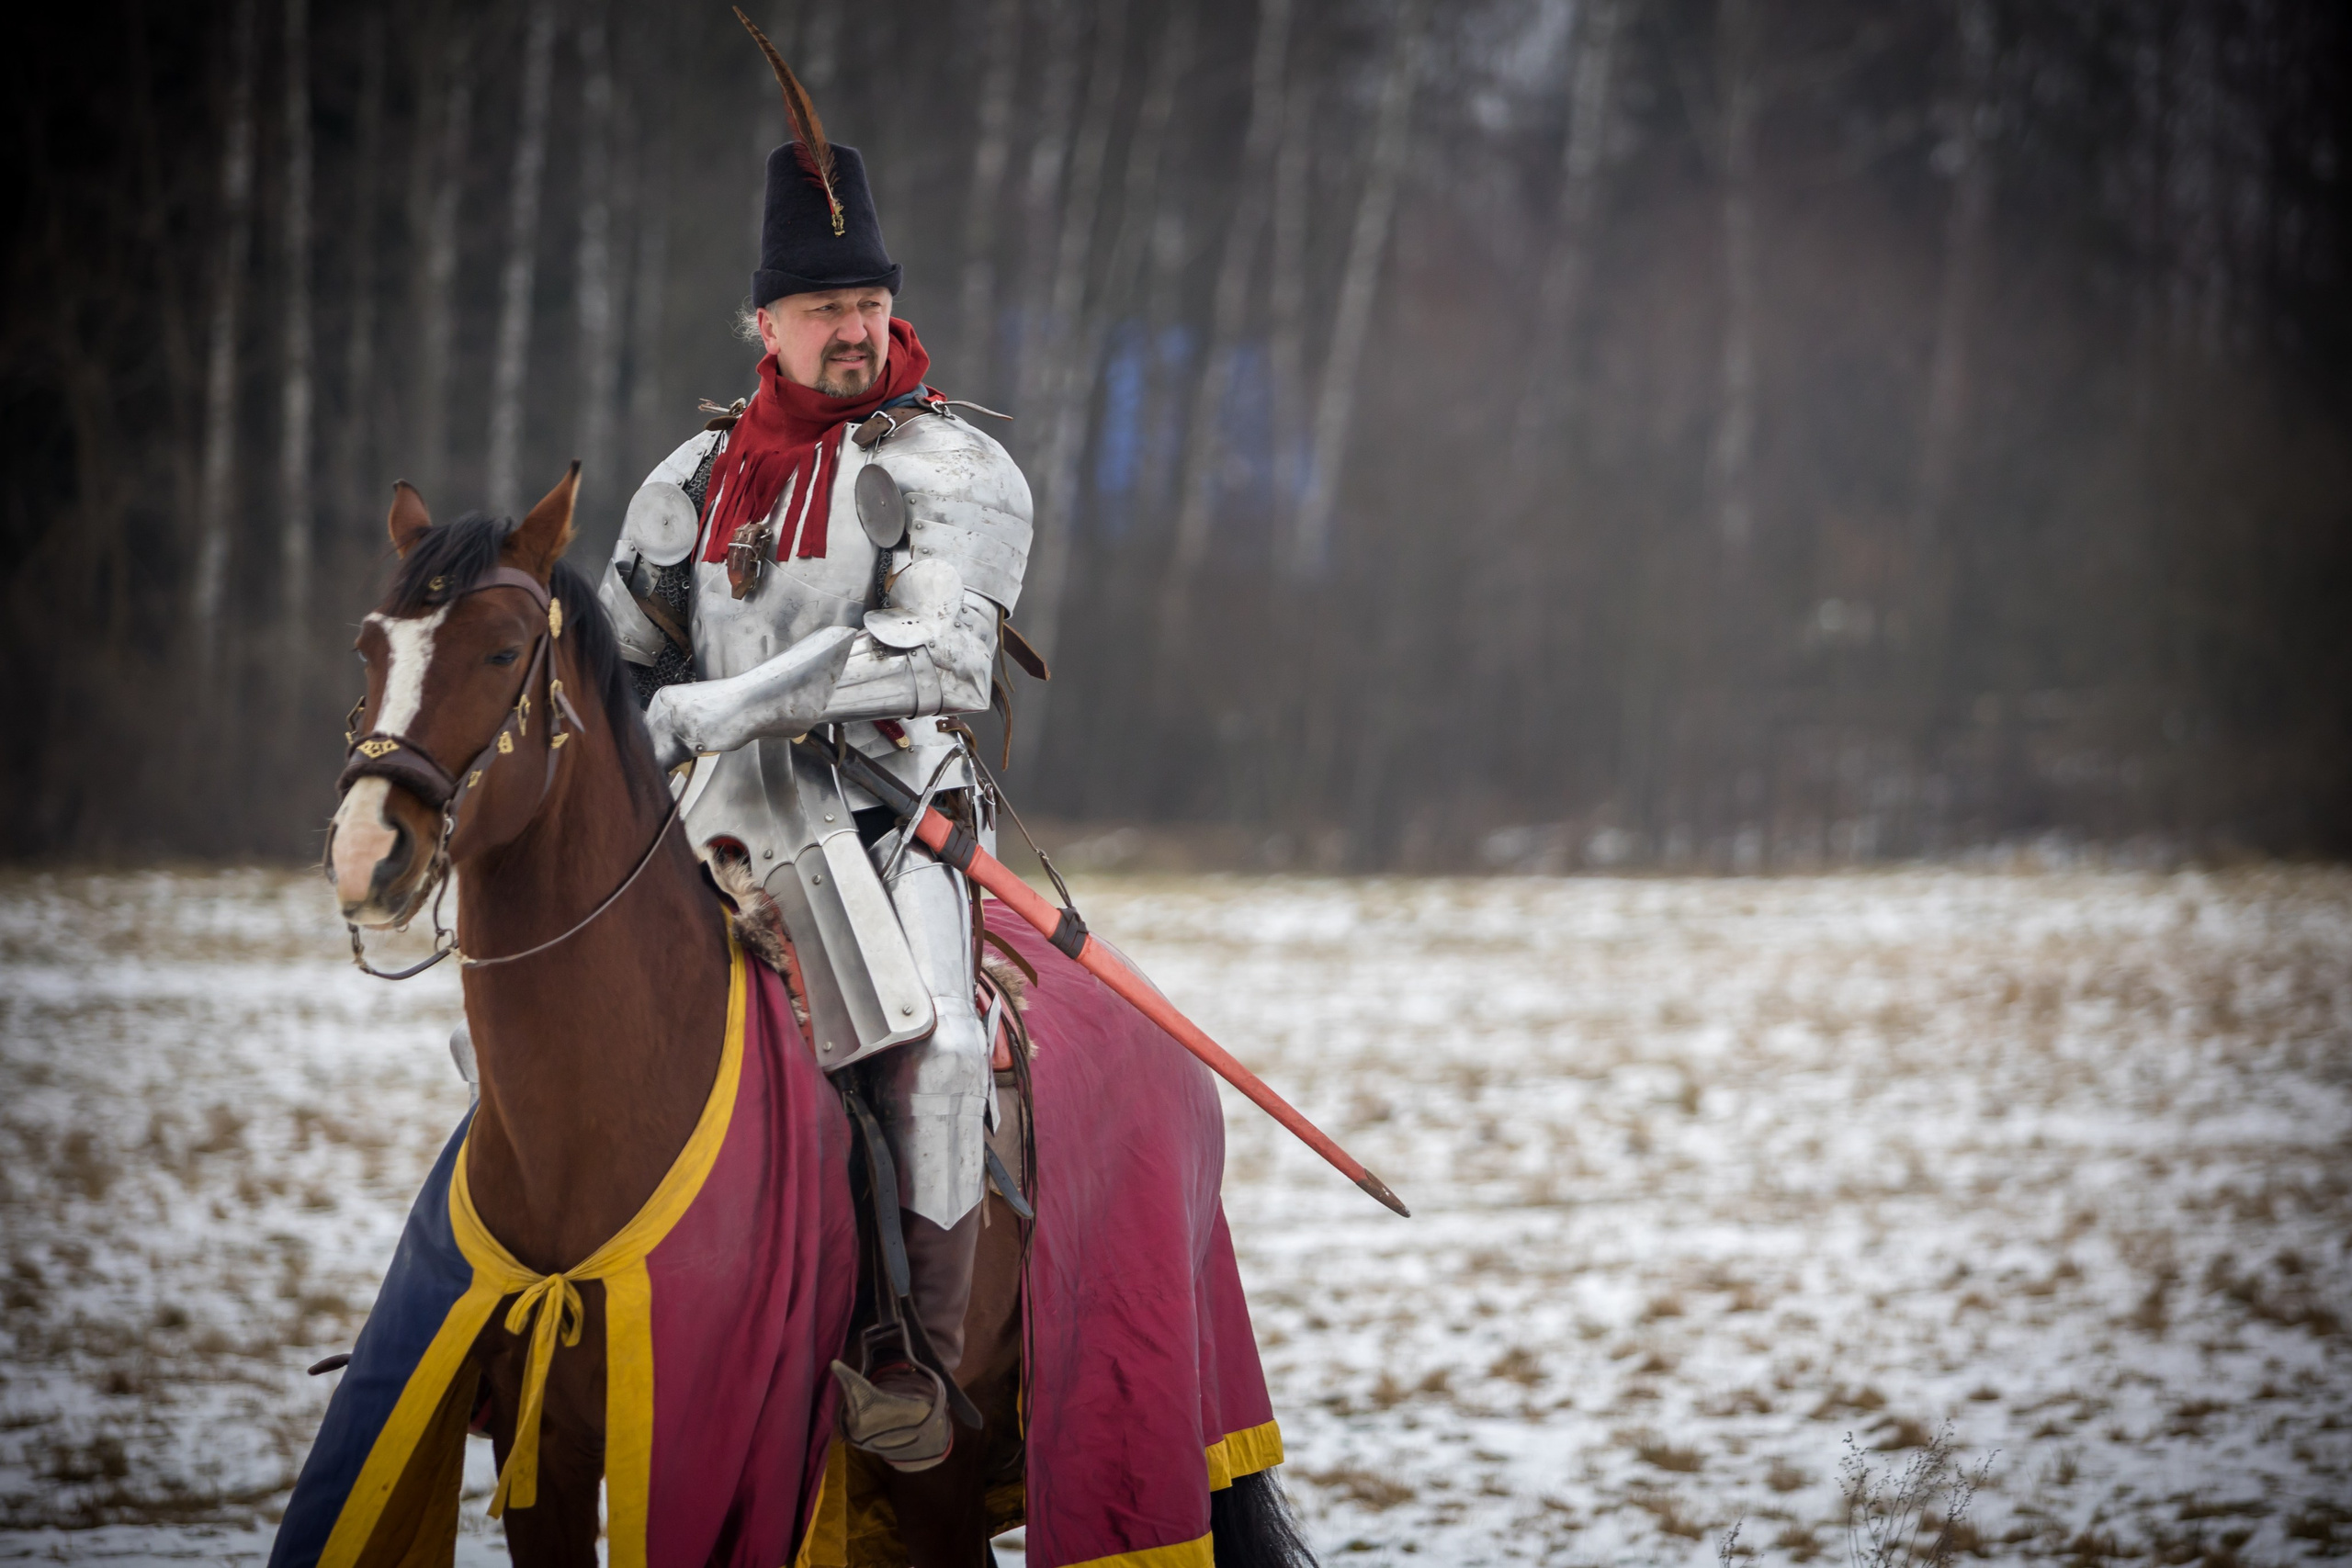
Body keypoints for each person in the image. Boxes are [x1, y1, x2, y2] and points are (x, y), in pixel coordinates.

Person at [597, 24, 1031, 1475]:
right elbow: (622, 661)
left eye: (869, 302)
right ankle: (527, 1290)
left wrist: (728, 708)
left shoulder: (953, 466)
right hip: (704, 823)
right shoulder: (688, 479)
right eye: (824, 307)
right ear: (764, 324)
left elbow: (938, 657)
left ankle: (916, 1360)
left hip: (893, 815)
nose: (853, 329)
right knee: (549, 995)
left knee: (943, 1050)